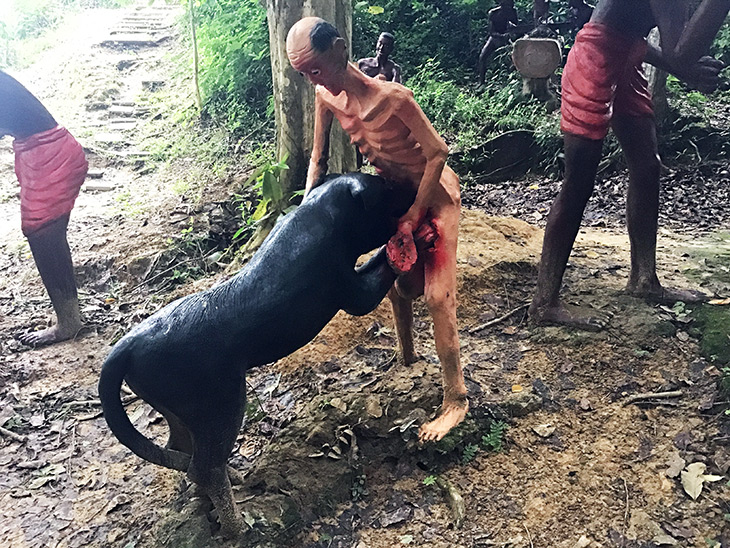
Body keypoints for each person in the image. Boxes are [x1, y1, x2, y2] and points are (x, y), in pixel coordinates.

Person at [286, 17, 467, 442]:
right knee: (397, 281)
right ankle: (406, 356)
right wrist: (305, 210)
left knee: (438, 297)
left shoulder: (394, 99)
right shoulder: (326, 98)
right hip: (393, 198)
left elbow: (438, 152)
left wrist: (415, 213)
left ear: (339, 49)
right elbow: (318, 160)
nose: (315, 79)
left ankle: (455, 399)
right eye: (304, 74)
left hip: (435, 197)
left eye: (316, 68)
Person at [529, 0, 729, 331]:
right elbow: (680, 53)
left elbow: (642, 40)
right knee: (578, 183)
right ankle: (544, 303)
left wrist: (684, 70)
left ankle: (644, 278)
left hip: (628, 57)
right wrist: (686, 66)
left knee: (647, 166)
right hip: (594, 58)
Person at [0, 70, 88, 346]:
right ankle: (69, 317)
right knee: (44, 233)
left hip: (51, 154)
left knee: (41, 231)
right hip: (37, 152)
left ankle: (69, 322)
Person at [478, 0, 520, 84]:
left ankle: (511, 79)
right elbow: (491, 32)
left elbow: (516, 26)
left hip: (508, 38)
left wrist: (511, 31)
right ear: (501, 4)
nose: (508, 8)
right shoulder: (493, 13)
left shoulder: (513, 12)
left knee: (513, 58)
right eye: (506, 5)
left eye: (510, 5)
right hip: (495, 38)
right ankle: (481, 81)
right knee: (482, 56)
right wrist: (501, 36)